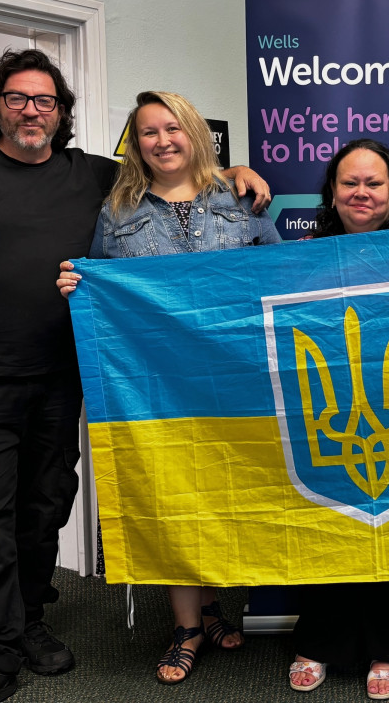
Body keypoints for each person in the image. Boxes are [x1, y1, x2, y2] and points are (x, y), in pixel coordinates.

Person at [0, 49, 268, 703]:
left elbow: (172, 170)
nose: (32, 110)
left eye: (46, 101)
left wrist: (234, 169)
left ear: (62, 113)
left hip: (64, 379)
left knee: (42, 511)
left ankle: (26, 622)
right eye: (17, 98)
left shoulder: (95, 176)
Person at [58, 90, 279, 685]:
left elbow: (277, 276)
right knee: (175, 495)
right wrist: (79, 285)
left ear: (194, 134)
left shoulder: (240, 197)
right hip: (157, 382)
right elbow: (103, 285)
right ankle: (184, 625)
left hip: (234, 378)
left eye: (172, 128)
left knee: (222, 493)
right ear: (137, 144)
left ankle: (209, 609)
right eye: (148, 132)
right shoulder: (118, 211)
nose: (162, 141)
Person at [286, 138, 389, 700]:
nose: (361, 193)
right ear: (332, 193)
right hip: (326, 417)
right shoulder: (303, 258)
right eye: (350, 183)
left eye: (373, 183)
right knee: (328, 525)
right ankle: (320, 638)